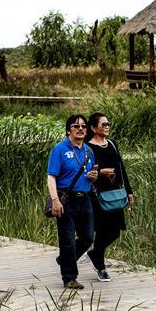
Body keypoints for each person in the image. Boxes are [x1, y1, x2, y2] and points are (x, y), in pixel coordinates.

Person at [47, 114, 98, 289]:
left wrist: (93, 177)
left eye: (83, 126)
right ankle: (69, 277)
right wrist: (55, 200)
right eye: (76, 126)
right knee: (67, 240)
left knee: (87, 237)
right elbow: (51, 177)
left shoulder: (89, 151)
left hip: (85, 199)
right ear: (69, 130)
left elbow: (89, 175)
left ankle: (65, 259)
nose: (80, 129)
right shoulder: (60, 149)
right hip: (65, 200)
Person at [85, 112, 134, 282]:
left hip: (116, 194)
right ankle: (101, 266)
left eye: (108, 124)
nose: (107, 127)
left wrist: (129, 191)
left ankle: (94, 254)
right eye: (103, 124)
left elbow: (121, 168)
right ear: (93, 128)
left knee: (115, 231)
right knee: (102, 230)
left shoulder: (112, 144)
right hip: (96, 194)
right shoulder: (87, 147)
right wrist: (100, 173)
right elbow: (83, 171)